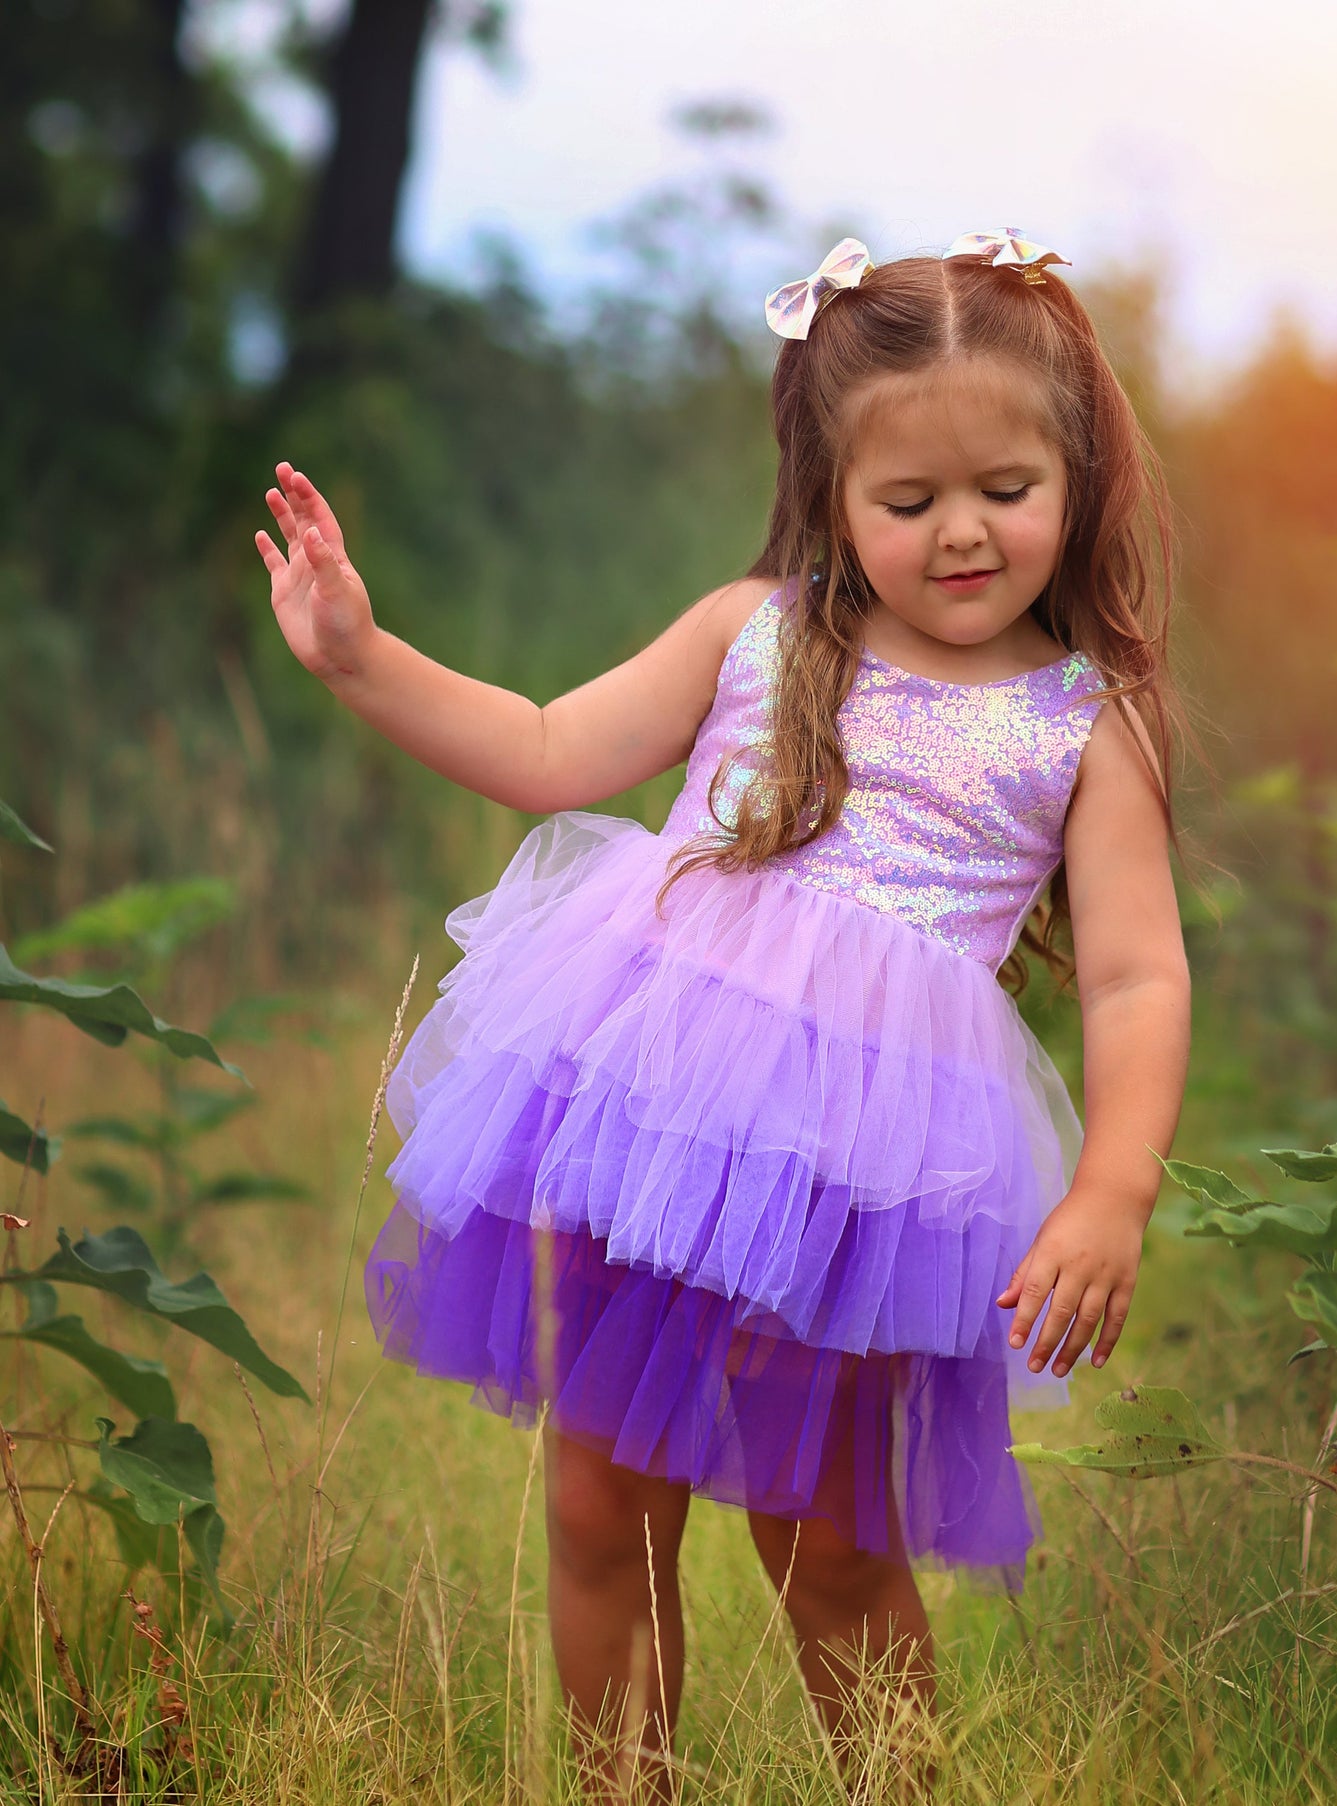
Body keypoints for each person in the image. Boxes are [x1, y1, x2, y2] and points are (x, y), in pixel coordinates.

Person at [256, 228, 1192, 1800]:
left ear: (1076, 476)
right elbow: (553, 746)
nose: (960, 534)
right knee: (594, 1506)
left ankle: (897, 1783)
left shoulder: (1081, 724)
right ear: (832, 489)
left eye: (1005, 492)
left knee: (828, 1549)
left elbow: (1133, 973)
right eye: (907, 503)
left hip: (855, 1181)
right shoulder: (754, 627)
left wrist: (1113, 1184)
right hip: (646, 1110)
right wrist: (361, 656)